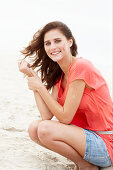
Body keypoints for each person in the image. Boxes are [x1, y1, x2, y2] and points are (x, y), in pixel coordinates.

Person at [18, 21, 113, 170]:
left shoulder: (81, 67)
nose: (52, 47)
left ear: (69, 42)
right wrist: (33, 78)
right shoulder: (60, 76)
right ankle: (84, 163)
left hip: (105, 143)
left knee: (44, 129)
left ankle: (85, 166)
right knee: (34, 128)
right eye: (47, 43)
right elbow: (46, 115)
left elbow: (65, 117)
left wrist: (40, 88)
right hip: (84, 139)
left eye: (57, 41)